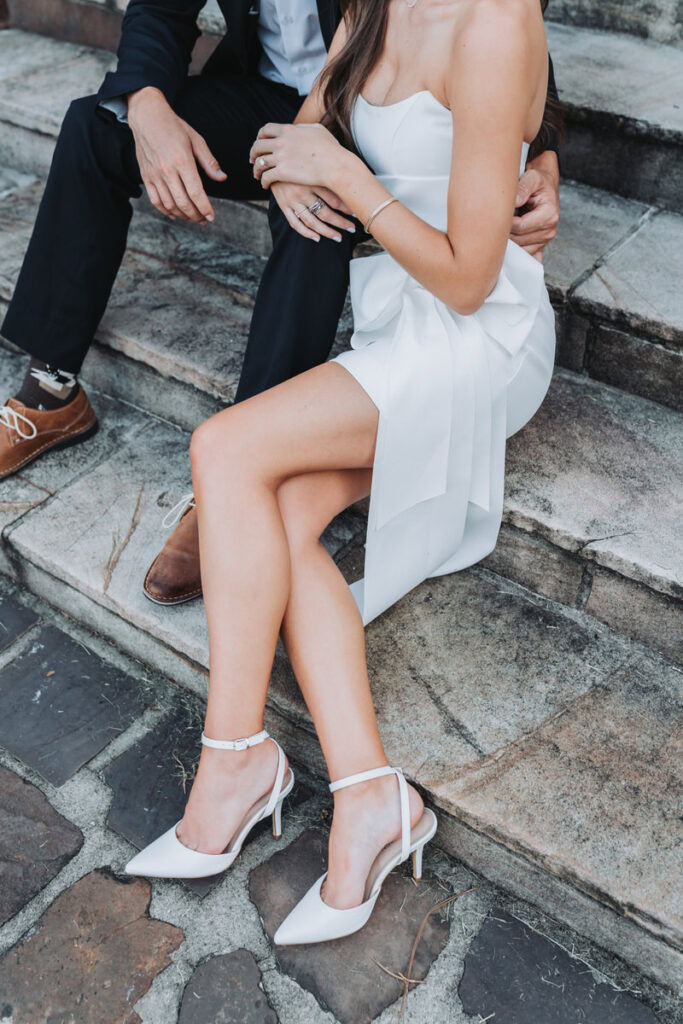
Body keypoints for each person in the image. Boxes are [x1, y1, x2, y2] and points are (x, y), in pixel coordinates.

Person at [123, 0, 558, 946]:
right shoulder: (370, 2)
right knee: (269, 507)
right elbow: (300, 130)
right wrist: (289, 174)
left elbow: (469, 279)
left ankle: (233, 765)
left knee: (225, 448)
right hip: (400, 317)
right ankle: (370, 794)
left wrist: (351, 183)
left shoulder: (494, 22)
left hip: (480, 335)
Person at [0, 0, 560, 594]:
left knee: (315, 216)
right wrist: (146, 104)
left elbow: (502, 38)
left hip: (376, 113)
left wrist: (542, 156)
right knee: (95, 122)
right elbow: (160, 9)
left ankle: (247, 464)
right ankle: (52, 389)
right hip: (276, 102)